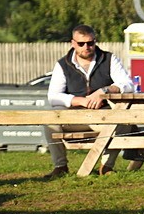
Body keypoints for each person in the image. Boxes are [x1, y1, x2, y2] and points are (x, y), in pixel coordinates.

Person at [44, 24, 135, 178]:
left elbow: (128, 85)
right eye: (81, 43)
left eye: (90, 43)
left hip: (103, 117)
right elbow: (53, 96)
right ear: (73, 43)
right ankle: (60, 166)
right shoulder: (62, 64)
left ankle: (106, 166)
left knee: (124, 122)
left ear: (95, 41)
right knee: (49, 121)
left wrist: (104, 91)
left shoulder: (109, 59)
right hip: (74, 118)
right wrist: (79, 101)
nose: (86, 47)